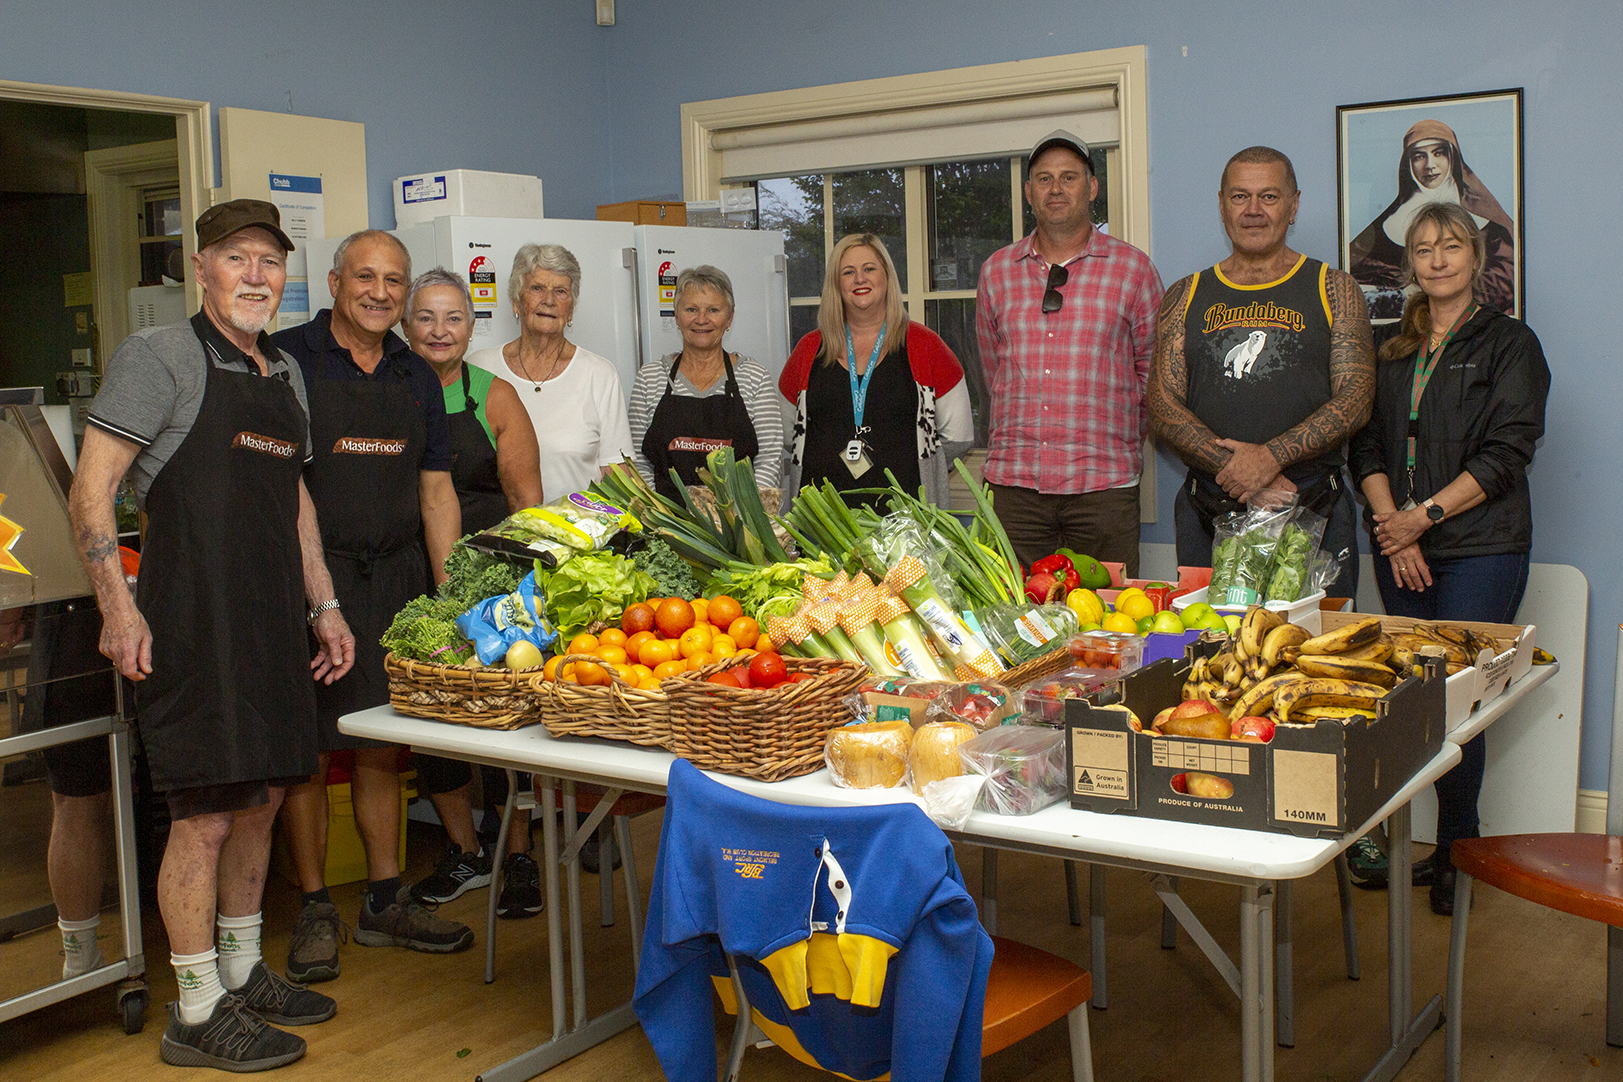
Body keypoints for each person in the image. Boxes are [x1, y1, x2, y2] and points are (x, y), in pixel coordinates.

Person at [68, 199, 354, 1070]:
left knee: (261, 801)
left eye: (270, 261)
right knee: (204, 817)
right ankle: (195, 1009)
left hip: (271, 621)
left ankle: (240, 971)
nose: (256, 276)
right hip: (191, 622)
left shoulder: (283, 371)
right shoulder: (158, 356)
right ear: (200, 268)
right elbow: (91, 491)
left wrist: (324, 604)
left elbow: (295, 501)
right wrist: (118, 609)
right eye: (237, 258)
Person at [272, 230, 473, 985]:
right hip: (308, 581)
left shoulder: (416, 373)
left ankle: (385, 900)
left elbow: (436, 492)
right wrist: (314, 592)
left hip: (396, 582)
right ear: (334, 282)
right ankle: (315, 907)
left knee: (383, 743)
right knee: (310, 750)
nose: (380, 293)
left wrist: (452, 597)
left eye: (394, 281)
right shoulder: (287, 360)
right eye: (366, 277)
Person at [1346, 200, 1550, 914]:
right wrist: (1392, 526)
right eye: (1423, 248)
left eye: (1451, 246)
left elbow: (1508, 451)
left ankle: (1459, 853)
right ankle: (1436, 849)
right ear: (1409, 263)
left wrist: (1421, 519)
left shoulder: (1509, 343)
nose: (1436, 260)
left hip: (1480, 548)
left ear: (1475, 255)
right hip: (1398, 544)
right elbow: (1366, 444)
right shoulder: (1391, 348)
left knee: (1458, 702)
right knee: (1418, 701)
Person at [1148, 146, 1375, 601]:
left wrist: (1270, 459)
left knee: (1320, 640)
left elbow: (1356, 397)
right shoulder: (1185, 294)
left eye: (1269, 196)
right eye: (1240, 197)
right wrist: (1239, 471)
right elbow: (1161, 405)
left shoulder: (1334, 287)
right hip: (1208, 508)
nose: (1253, 210)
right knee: (1210, 639)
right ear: (1222, 205)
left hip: (1312, 507)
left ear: (1293, 205)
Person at [400, 267, 544, 918]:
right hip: (411, 574)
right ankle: (464, 850)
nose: (440, 330)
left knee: (504, 717)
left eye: (453, 318)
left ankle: (518, 851)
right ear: (406, 326)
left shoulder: (494, 396)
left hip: (490, 581)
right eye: (426, 318)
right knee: (431, 716)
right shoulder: (390, 392)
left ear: (471, 326)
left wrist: (517, 594)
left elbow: (526, 503)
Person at [976, 130, 1164, 574]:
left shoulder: (1133, 270)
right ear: (1029, 192)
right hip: (1015, 489)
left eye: (1069, 177)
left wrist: (1115, 441)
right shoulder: (996, 272)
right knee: (1014, 609)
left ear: (1092, 187)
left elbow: (1152, 379)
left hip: (1103, 488)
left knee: (1113, 612)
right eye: (1044, 179)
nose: (1055, 189)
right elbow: (993, 373)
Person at [779, 233, 972, 511]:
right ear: (836, 284)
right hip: (821, 519)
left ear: (887, 277)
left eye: (869, 269)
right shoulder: (808, 349)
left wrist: (925, 470)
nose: (860, 279)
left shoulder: (927, 346)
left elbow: (958, 438)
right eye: (848, 272)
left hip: (906, 518)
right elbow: (788, 434)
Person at [467, 243, 633, 499]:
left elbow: (618, 476)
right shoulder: (480, 367)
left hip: (576, 523)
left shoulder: (599, 374)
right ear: (516, 301)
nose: (549, 300)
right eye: (537, 288)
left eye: (561, 291)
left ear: (571, 308)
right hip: (497, 522)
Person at [629, 265, 784, 499]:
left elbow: (769, 459)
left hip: (739, 517)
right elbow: (638, 461)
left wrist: (745, 513)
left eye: (713, 310)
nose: (701, 320)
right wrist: (659, 511)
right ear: (677, 316)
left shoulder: (754, 376)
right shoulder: (650, 377)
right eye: (691, 309)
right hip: (666, 517)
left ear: (729, 318)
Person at [1348, 120, 1517, 320]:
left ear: (1452, 157)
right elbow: (1358, 270)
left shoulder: (1490, 224)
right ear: (1408, 163)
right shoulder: (1386, 225)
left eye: (1438, 153)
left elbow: (1505, 280)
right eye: (1419, 156)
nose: (1430, 165)